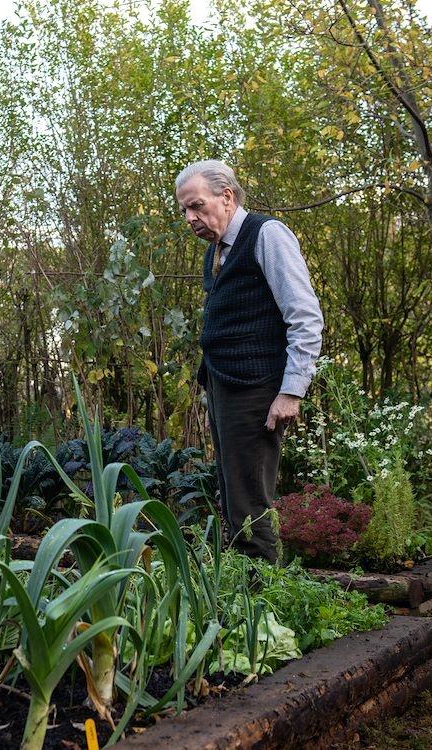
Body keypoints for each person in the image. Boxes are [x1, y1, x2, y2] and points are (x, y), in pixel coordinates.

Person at [175, 160, 323, 563]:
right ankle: (244, 591)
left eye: (197, 206)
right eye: (185, 210)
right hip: (224, 384)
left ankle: (263, 603)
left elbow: (304, 316)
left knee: (251, 499)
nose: (191, 218)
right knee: (232, 492)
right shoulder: (217, 251)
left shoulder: (267, 235)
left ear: (227, 196)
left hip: (257, 386)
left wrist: (292, 391)